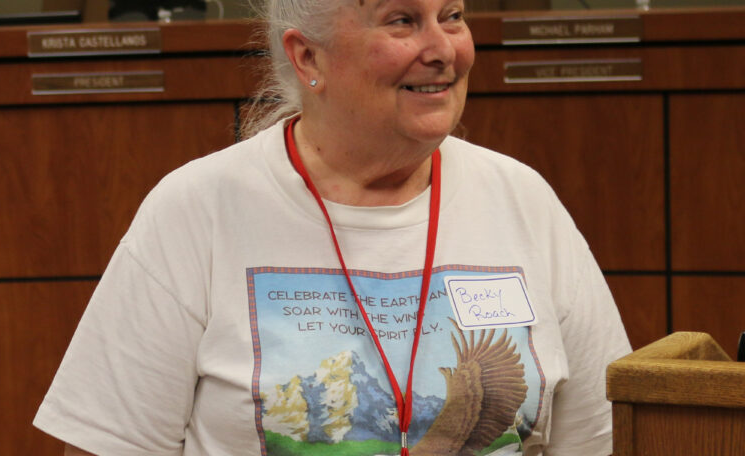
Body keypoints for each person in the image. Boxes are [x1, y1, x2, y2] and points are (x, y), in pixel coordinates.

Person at [34, 0, 632, 454]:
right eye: (402, 21)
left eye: (451, 17)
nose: (443, 49)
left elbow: (604, 439)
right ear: (308, 58)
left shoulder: (523, 199)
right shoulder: (195, 210)